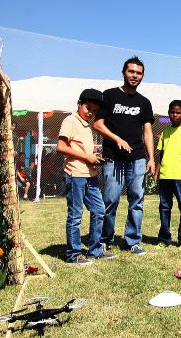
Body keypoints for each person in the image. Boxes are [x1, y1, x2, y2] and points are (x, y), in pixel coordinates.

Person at [92, 56, 155, 256]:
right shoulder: (109, 96)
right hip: (113, 158)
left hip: (137, 158)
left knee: (137, 200)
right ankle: (104, 240)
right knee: (110, 199)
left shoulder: (144, 102)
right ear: (123, 73)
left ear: (142, 76)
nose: (135, 76)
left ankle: (133, 241)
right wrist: (116, 139)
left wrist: (151, 158)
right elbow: (98, 124)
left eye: (139, 73)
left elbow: (147, 132)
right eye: (131, 72)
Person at [56, 89, 115, 265]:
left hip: (90, 175)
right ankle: (73, 254)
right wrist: (86, 157)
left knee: (99, 210)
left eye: (95, 111)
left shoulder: (86, 125)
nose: (91, 113)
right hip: (75, 175)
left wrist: (93, 156)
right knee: (75, 215)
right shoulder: (71, 120)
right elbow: (61, 146)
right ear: (79, 104)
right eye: (88, 108)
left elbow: (80, 149)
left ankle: (95, 250)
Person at [154, 100, 181, 250]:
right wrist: (157, 171)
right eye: (172, 112)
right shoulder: (165, 132)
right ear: (168, 113)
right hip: (165, 176)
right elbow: (162, 153)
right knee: (164, 208)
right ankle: (164, 239)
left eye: (178, 112)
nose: (175, 115)